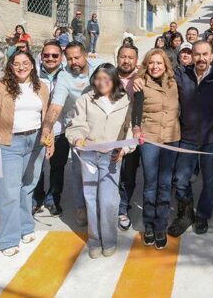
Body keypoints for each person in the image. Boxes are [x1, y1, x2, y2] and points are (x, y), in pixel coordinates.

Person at [0, 50, 50, 256]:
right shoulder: (0, 87)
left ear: (32, 65)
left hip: (36, 142)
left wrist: (49, 141)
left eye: (25, 63)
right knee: (9, 191)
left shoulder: (42, 87)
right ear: (10, 67)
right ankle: (8, 239)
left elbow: (47, 116)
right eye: (16, 63)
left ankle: (25, 227)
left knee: (28, 187)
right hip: (9, 143)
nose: (21, 67)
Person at [67, 63, 134, 258]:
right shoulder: (86, 99)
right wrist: (78, 138)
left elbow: (129, 128)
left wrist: (125, 147)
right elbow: (76, 124)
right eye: (98, 78)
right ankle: (94, 240)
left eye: (106, 78)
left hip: (112, 156)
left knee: (108, 200)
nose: (101, 82)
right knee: (91, 198)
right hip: (89, 155)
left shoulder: (124, 101)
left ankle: (109, 239)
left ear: (114, 80)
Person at [168, 41, 213, 236]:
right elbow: (158, 75)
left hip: (212, 139)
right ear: (191, 56)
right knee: (180, 179)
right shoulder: (181, 74)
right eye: (197, 54)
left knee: (210, 181)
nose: (201, 58)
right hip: (187, 138)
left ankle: (203, 214)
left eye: (205, 54)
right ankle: (186, 213)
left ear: (212, 56)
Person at [131, 49, 180, 250]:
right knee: (151, 184)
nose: (155, 67)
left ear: (166, 65)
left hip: (171, 138)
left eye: (159, 63)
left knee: (165, 184)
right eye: (151, 63)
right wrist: (136, 128)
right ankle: (148, 224)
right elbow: (136, 111)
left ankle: (161, 225)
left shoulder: (174, 82)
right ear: (146, 64)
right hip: (150, 139)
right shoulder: (141, 83)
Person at [40, 42, 94, 226]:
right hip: (76, 129)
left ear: (85, 55)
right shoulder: (64, 76)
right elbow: (56, 106)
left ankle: (101, 206)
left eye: (77, 57)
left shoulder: (99, 67)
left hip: (100, 128)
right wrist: (47, 128)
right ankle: (81, 207)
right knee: (78, 170)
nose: (73, 62)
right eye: (69, 58)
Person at [33, 41, 68, 216]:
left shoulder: (68, 74)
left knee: (57, 167)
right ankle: (36, 198)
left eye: (55, 55)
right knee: (36, 166)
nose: (50, 58)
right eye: (46, 55)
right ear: (41, 56)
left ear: (61, 57)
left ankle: (53, 198)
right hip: (36, 129)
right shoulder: (32, 74)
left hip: (61, 130)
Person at [116, 46, 140, 231]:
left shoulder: (142, 79)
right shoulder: (107, 75)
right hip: (110, 135)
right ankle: (108, 207)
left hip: (132, 134)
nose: (126, 60)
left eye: (130, 57)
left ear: (136, 60)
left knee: (128, 175)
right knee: (109, 175)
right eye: (123, 57)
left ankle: (122, 209)